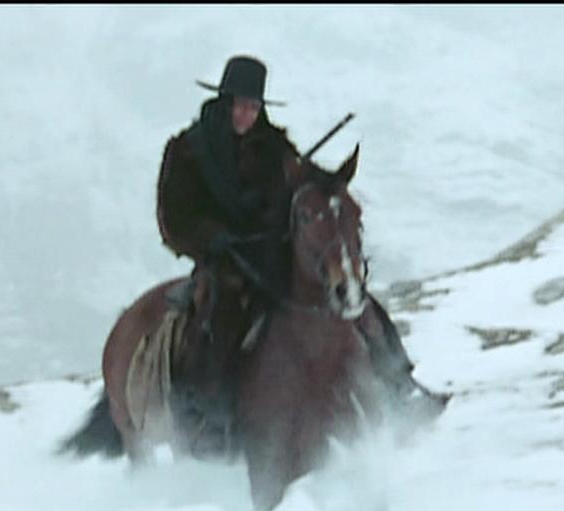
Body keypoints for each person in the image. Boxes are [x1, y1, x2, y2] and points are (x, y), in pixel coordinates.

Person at [155, 55, 447, 440]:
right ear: (225, 103)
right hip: (222, 256)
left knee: (354, 299)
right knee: (221, 309)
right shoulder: (187, 151)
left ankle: (398, 384)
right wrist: (213, 237)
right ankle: (210, 410)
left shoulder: (275, 145)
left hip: (270, 249)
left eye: (254, 107)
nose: (246, 114)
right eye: (240, 105)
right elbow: (174, 218)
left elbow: (300, 187)